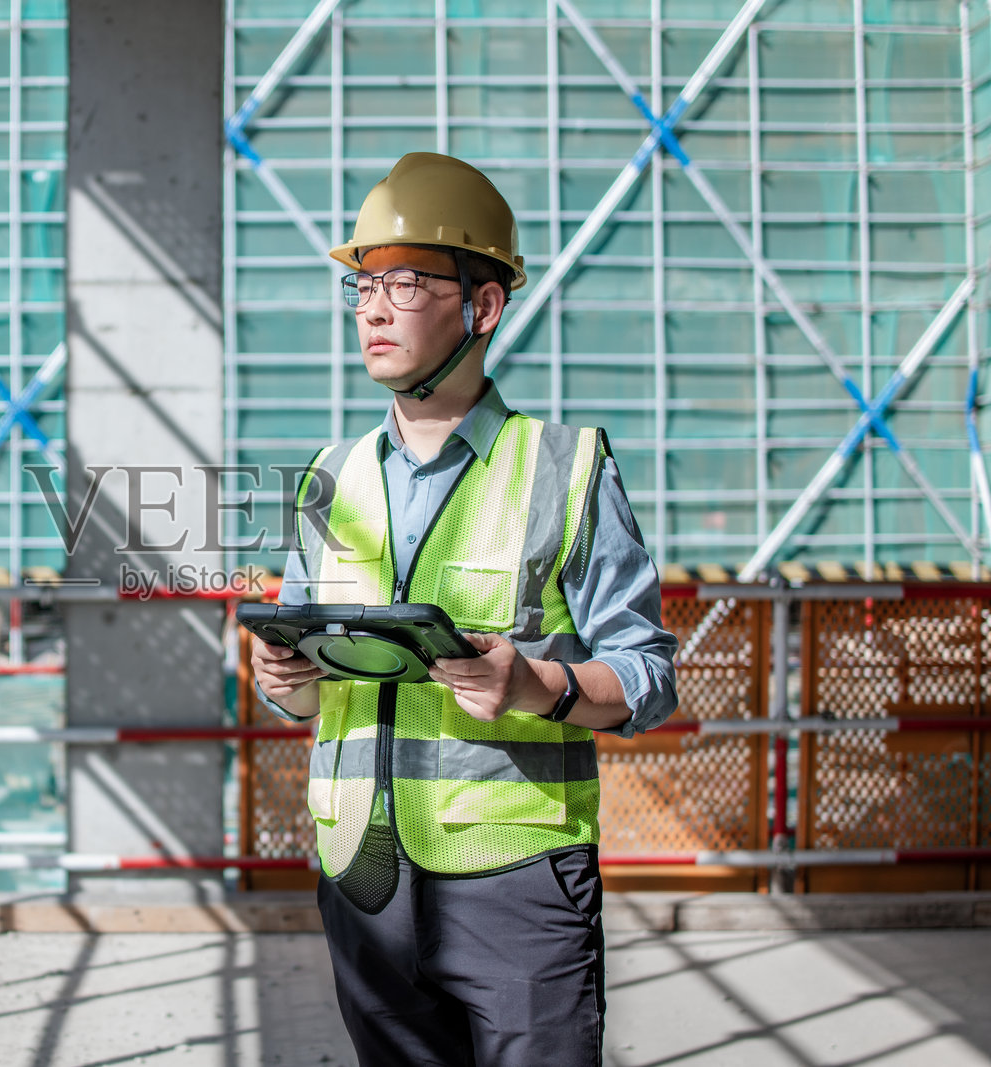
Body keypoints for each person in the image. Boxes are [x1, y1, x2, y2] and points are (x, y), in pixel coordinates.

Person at [250, 151, 679, 1067]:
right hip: (363, 874)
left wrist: (534, 682)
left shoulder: (565, 468)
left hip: (517, 882)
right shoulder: (333, 476)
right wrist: (282, 679)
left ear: (482, 306)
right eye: (362, 285)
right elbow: (308, 696)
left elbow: (648, 677)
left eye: (403, 282)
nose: (370, 308)